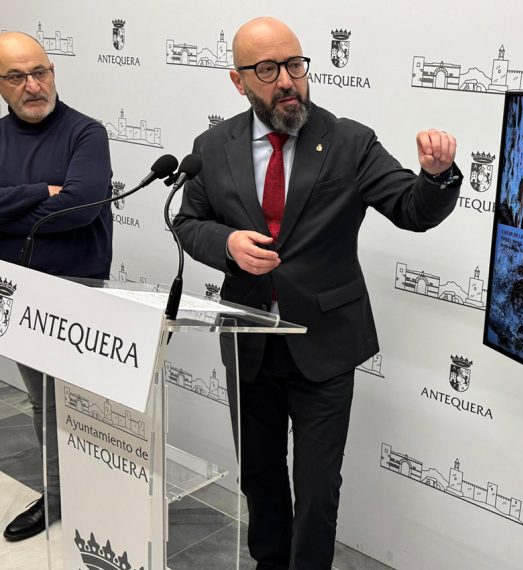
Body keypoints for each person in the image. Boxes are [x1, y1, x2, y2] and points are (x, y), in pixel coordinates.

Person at [173, 16, 461, 570]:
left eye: (295, 64)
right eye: (267, 69)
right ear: (238, 82)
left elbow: (410, 209)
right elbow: (189, 223)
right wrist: (228, 243)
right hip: (248, 339)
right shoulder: (213, 145)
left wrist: (436, 177)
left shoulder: (349, 140)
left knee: (317, 487)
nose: (287, 80)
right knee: (259, 474)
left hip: (325, 345)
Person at [0, 32, 113, 541]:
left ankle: (107, 497)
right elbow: (56, 205)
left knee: (89, 405)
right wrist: (37, 193)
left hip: (77, 291)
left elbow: (81, 206)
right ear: (1, 85)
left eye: (40, 72)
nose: (32, 85)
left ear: (53, 72)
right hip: (18, 295)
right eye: (17, 76)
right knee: (44, 401)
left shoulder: (86, 133)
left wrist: (10, 209)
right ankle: (58, 496)